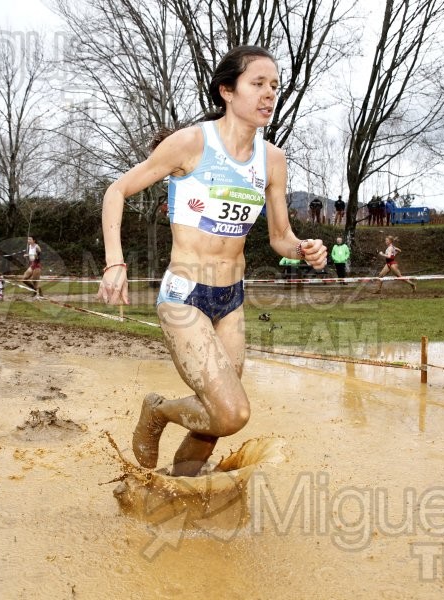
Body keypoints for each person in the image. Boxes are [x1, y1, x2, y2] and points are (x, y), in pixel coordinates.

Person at [97, 46, 327, 477]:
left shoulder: (272, 160)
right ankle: (158, 412)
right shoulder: (192, 143)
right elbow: (116, 191)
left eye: (274, 86)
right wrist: (115, 263)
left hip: (231, 301)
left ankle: (179, 488)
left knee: (217, 421)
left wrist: (303, 249)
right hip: (185, 296)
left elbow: (280, 238)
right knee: (232, 411)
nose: (269, 94)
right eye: (257, 84)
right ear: (227, 90)